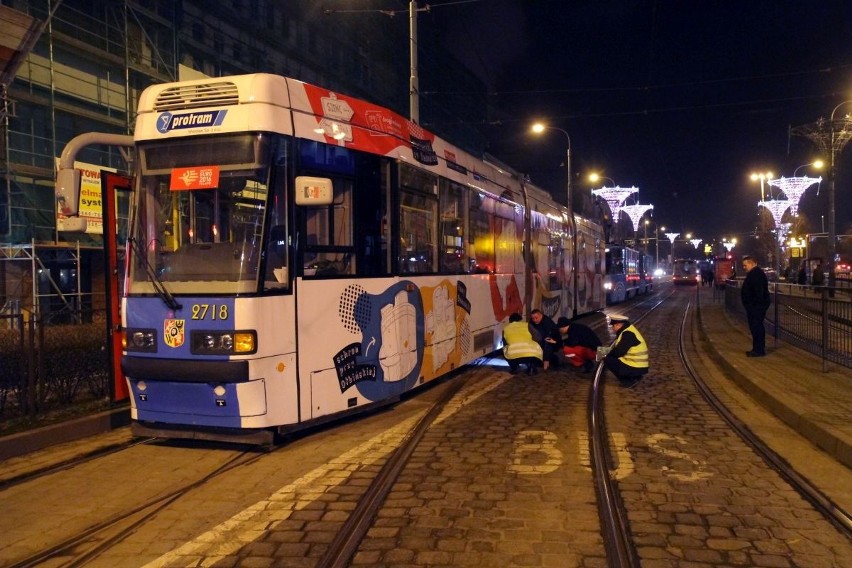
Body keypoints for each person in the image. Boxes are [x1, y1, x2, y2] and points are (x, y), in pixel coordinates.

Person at [602, 314, 649, 386]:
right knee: (607, 355)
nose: (612, 329)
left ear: (618, 325)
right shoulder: (628, 330)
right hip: (637, 365)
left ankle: (628, 381)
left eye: (613, 326)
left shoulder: (627, 334)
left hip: (635, 366)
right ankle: (635, 376)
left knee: (607, 359)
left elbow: (619, 352)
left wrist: (604, 352)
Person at [740, 255, 771, 357]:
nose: (744, 267)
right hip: (755, 306)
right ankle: (757, 348)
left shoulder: (756, 275)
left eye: (745, 265)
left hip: (756, 307)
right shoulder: (755, 273)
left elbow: (759, 293)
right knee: (755, 327)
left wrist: (753, 306)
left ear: (751, 263)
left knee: (756, 327)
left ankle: (759, 350)